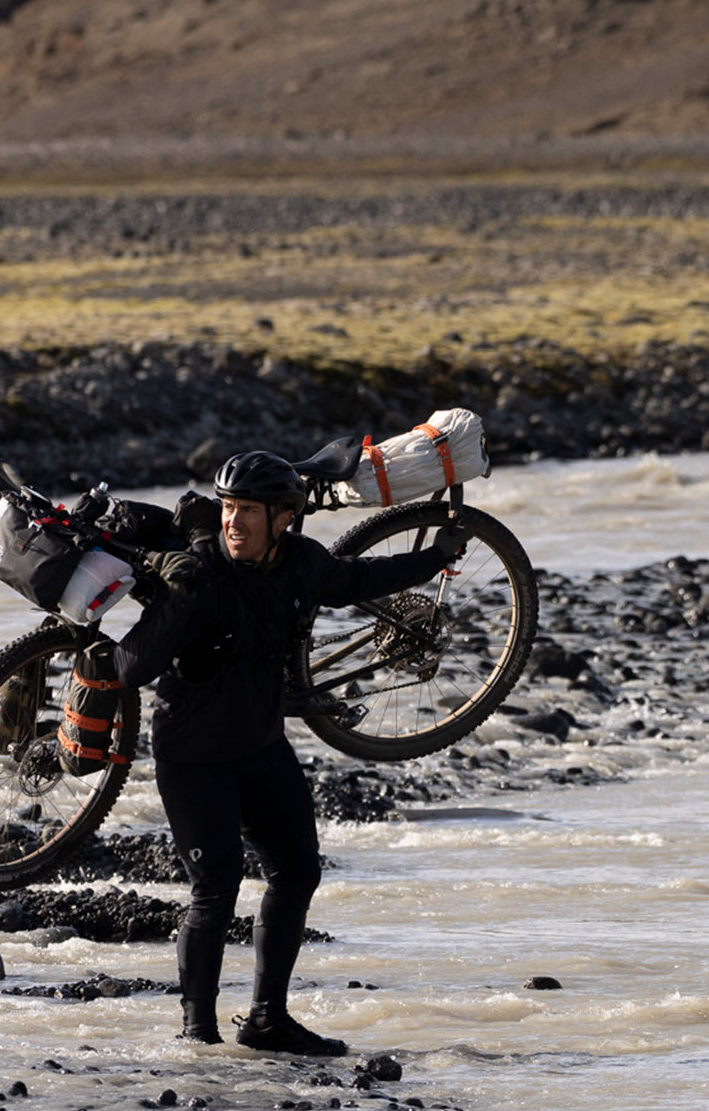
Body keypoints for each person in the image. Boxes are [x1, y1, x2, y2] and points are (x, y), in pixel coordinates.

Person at [88, 450, 462, 1053]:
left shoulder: (303, 564)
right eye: (229, 508)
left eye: (249, 512)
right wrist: (176, 598)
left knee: (297, 872)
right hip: (193, 757)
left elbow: (361, 580)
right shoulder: (200, 572)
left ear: (283, 518)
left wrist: (436, 557)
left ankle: (267, 1020)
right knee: (217, 889)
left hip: (262, 747)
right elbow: (130, 668)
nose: (235, 522)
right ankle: (198, 1037)